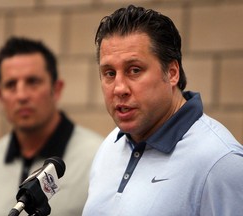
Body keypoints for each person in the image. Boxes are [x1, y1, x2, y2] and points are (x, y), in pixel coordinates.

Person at [82, 5, 243, 216]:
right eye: (109, 73)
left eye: (135, 70)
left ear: (172, 72)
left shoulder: (220, 162)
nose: (119, 88)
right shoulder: (110, 146)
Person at [0, 36, 104, 216]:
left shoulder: (99, 159)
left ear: (56, 89)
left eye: (32, 82)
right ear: (0, 96)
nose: (22, 95)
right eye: (11, 85)